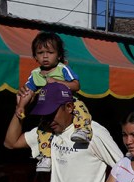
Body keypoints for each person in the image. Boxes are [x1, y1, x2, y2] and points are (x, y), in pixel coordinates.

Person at [16, 31, 93, 173]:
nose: (45, 56)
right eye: (40, 52)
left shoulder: (62, 69)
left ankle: (83, 131)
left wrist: (58, 82)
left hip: (68, 103)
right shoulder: (35, 74)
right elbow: (27, 92)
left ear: (58, 55)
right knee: (42, 130)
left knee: (81, 109)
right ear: (35, 56)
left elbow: (76, 85)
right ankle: (45, 157)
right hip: (48, 109)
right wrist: (20, 107)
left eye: (50, 52)